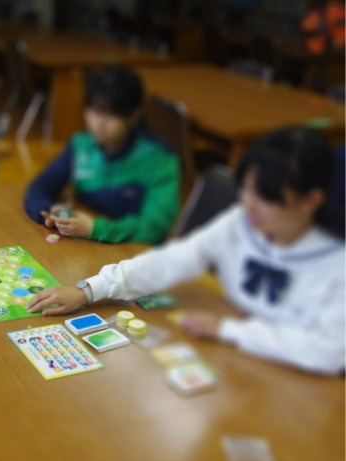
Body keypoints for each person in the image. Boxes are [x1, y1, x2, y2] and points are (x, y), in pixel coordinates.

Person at [26, 127, 345, 376]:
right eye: (247, 189)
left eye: (266, 197)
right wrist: (87, 290)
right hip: (233, 362)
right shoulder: (244, 221)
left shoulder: (336, 264)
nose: (249, 204)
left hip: (297, 384)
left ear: (311, 201)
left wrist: (229, 330)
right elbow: (171, 261)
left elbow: (330, 352)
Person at [23, 65, 180, 244]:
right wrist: (48, 213)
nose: (98, 123)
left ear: (135, 115)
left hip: (132, 248)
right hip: (89, 242)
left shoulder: (160, 159)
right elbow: (39, 187)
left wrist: (96, 229)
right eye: (94, 111)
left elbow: (156, 227)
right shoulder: (81, 144)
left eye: (111, 115)